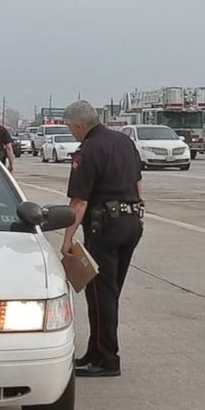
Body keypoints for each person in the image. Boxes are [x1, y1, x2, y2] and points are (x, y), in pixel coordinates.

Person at [60, 100, 143, 378]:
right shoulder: (124, 142)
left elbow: (79, 202)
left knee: (101, 296)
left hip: (104, 227)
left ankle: (107, 359)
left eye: (71, 128)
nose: (71, 132)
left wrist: (67, 240)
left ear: (80, 125)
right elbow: (139, 184)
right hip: (131, 223)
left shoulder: (87, 151)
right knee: (110, 293)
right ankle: (96, 352)